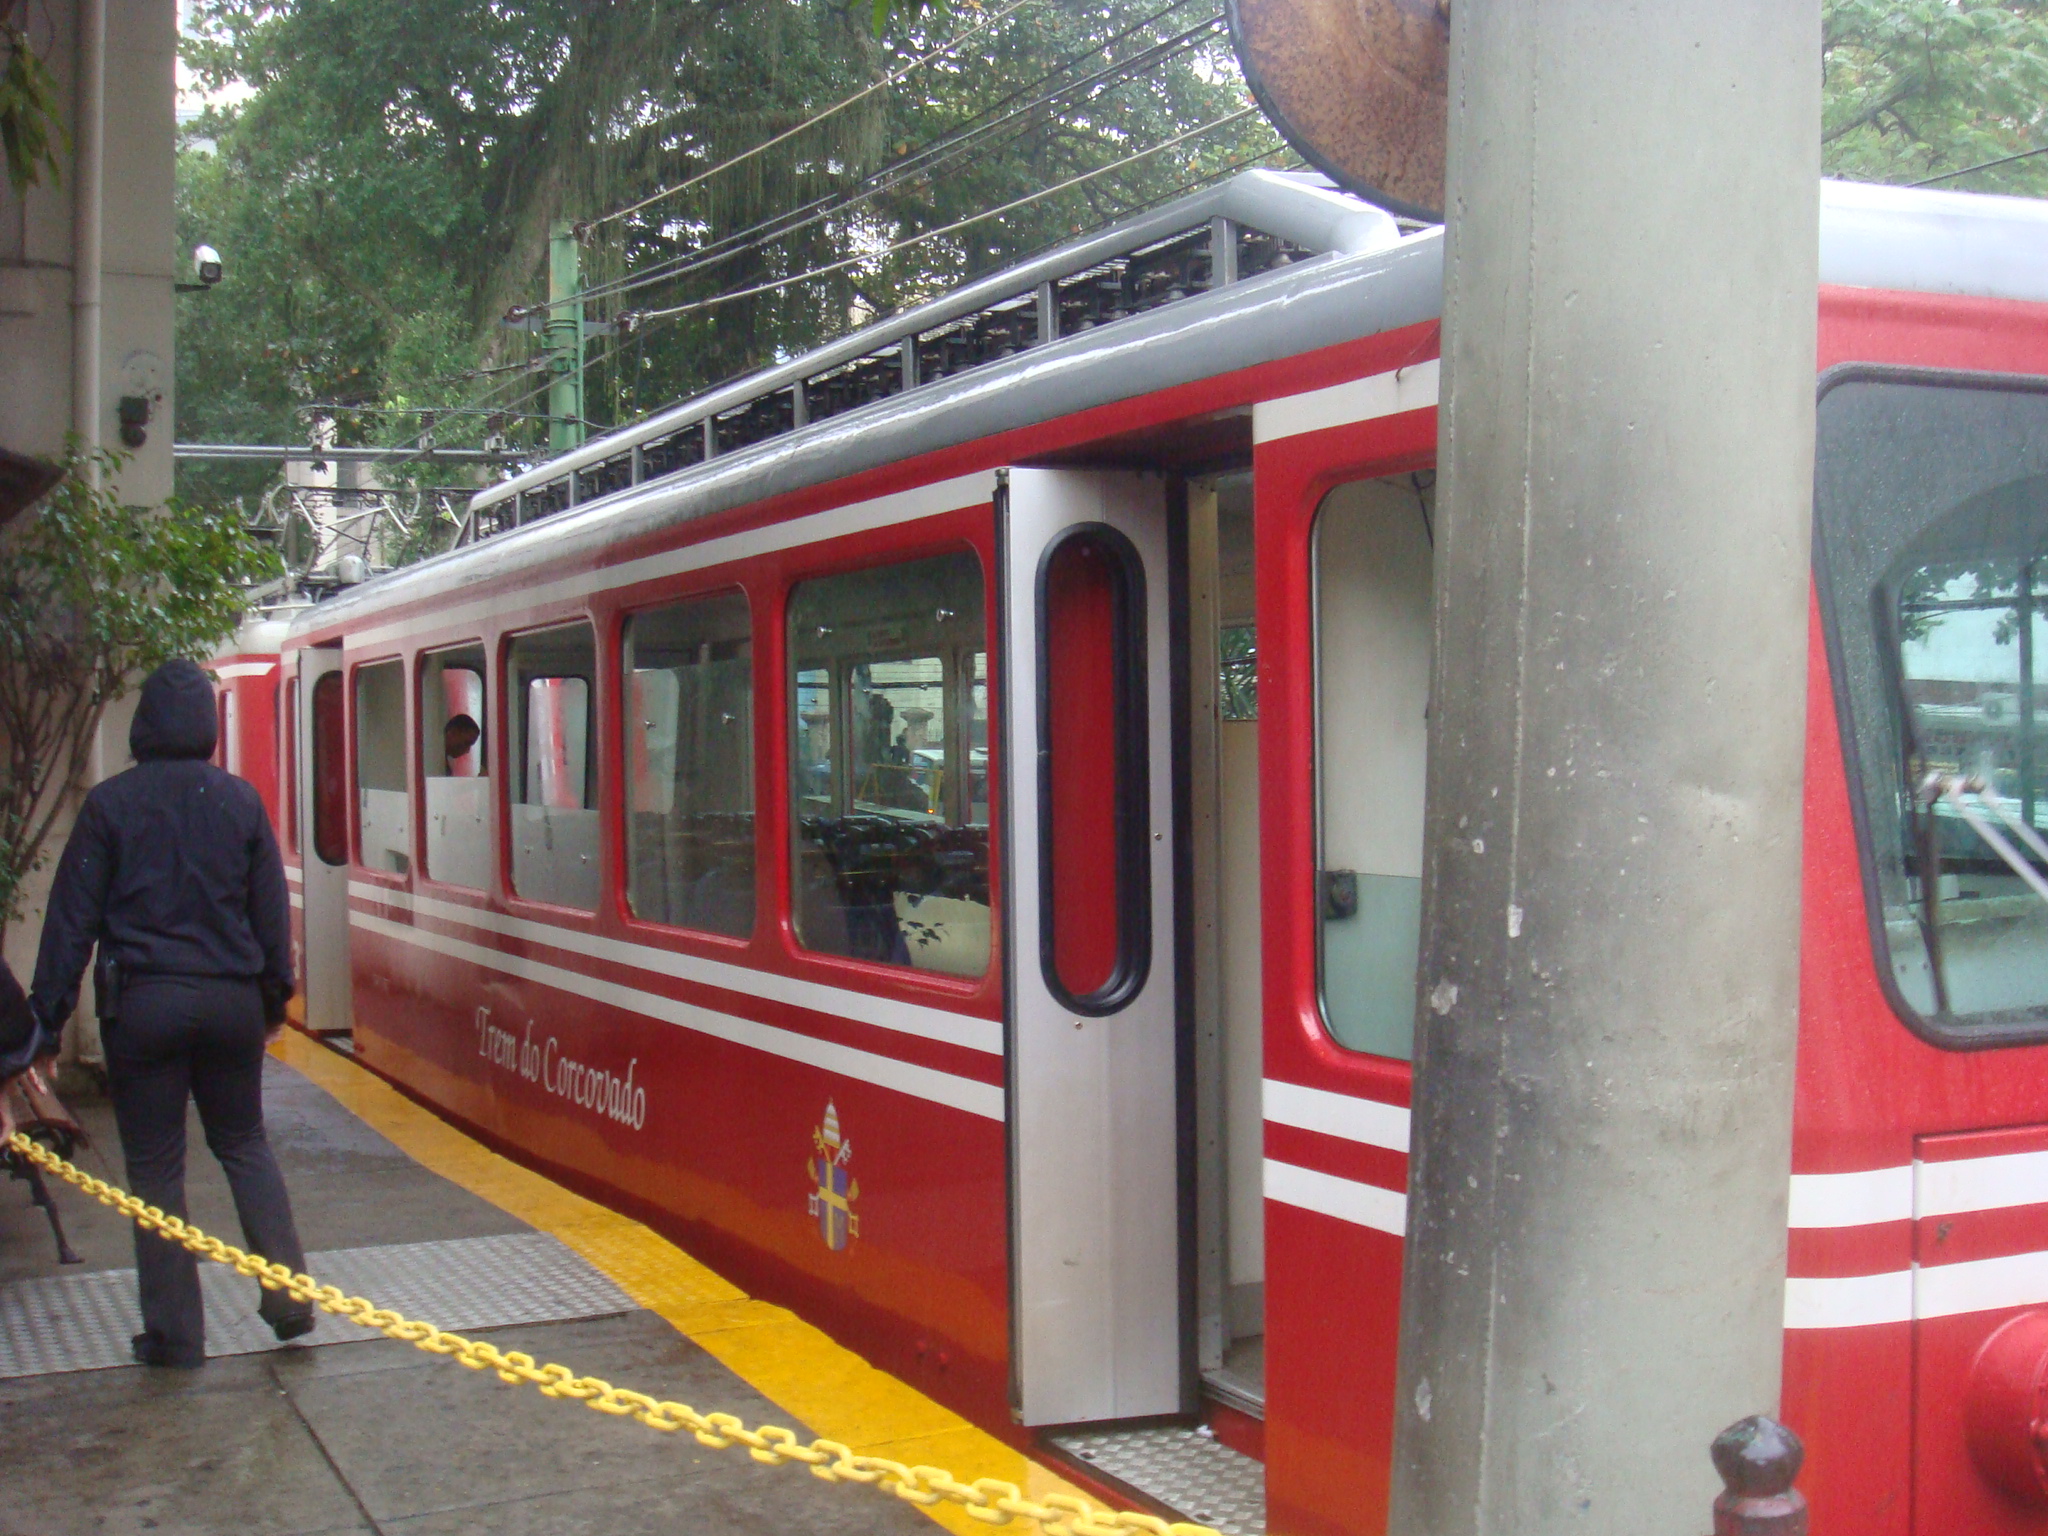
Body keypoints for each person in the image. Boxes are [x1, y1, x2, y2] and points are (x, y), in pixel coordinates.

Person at [29, 657, 313, 1368]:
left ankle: (176, 1336)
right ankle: (290, 1299)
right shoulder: (240, 802)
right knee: (244, 1143)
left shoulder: (110, 806)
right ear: (207, 727)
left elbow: (70, 925)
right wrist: (274, 999)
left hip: (145, 1006)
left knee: (156, 1169)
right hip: (229, 1003)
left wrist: (44, 1024)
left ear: (144, 725)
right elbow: (269, 916)